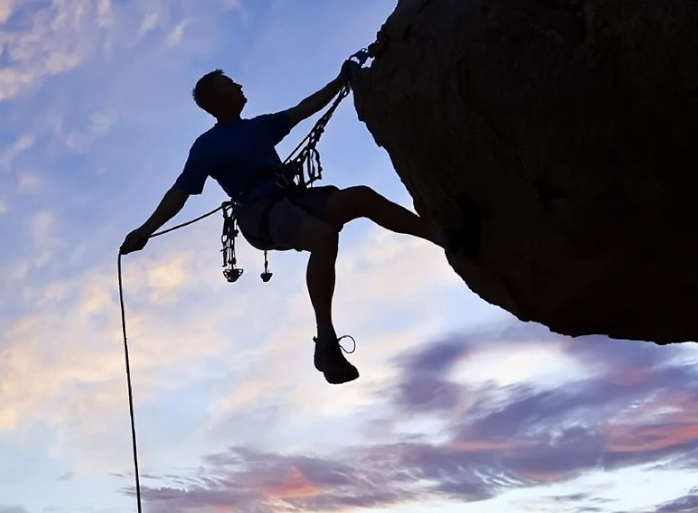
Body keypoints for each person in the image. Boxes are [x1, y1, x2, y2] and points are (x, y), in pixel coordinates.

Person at [119, 61, 475, 385]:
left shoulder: (260, 127)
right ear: (216, 98)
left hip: (290, 199)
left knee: (361, 197)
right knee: (322, 236)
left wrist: (341, 80)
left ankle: (442, 236)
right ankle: (326, 339)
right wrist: (145, 231)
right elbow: (180, 192)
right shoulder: (207, 146)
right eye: (231, 84)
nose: (240, 86)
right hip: (260, 214)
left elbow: (305, 109)